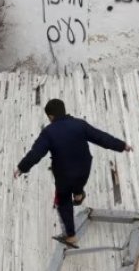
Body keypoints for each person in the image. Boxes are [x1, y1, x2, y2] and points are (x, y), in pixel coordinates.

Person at [14, 99, 132, 248]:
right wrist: (122, 146)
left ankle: (70, 236)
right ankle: (78, 195)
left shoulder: (48, 133)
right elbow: (101, 137)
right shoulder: (79, 124)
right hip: (84, 169)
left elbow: (35, 154)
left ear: (50, 116)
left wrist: (21, 167)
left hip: (64, 176)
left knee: (62, 202)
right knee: (77, 183)